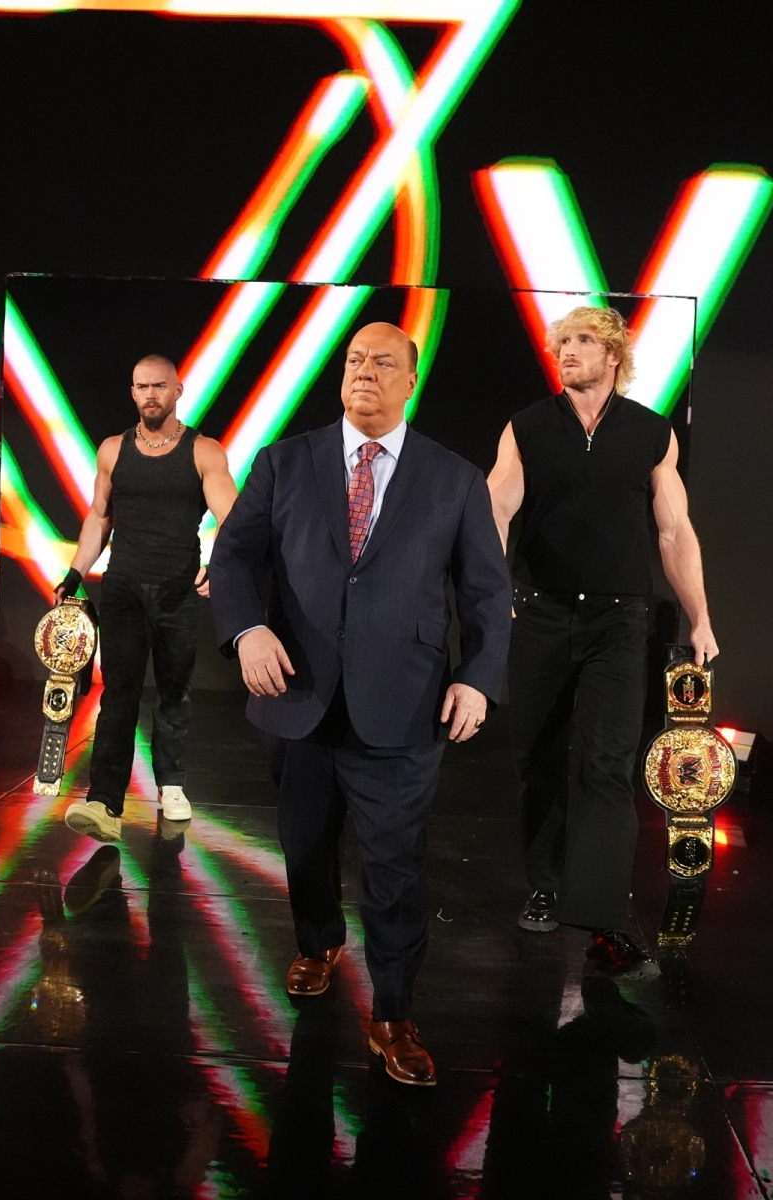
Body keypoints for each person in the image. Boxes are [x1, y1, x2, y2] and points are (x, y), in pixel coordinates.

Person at [210, 322, 511, 1086]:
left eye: (382, 362)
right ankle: (317, 942)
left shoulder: (454, 478)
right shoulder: (284, 462)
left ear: (411, 380)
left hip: (404, 704)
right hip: (298, 696)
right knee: (304, 844)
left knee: (395, 866)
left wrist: (478, 677)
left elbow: (486, 590)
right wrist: (246, 629)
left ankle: (394, 1015)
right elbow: (233, 555)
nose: (364, 371)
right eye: (353, 360)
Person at [486, 305, 719, 980]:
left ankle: (604, 919)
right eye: (562, 341)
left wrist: (700, 617)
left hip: (618, 621)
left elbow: (674, 532)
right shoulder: (529, 426)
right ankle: (545, 884)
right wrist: (491, 591)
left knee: (608, 765)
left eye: (582, 340)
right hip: (540, 612)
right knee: (538, 758)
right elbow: (497, 506)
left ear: (613, 355)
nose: (567, 350)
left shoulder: (650, 432)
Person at [55, 354, 238, 842]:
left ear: (177, 390)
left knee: (174, 692)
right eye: (141, 387)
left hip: (177, 589)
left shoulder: (204, 452)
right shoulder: (113, 450)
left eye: (159, 386)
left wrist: (220, 565)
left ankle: (171, 784)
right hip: (124, 588)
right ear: (133, 392)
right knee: (119, 693)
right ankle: (103, 802)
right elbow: (99, 516)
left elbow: (233, 518)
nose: (150, 394)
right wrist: (75, 572)